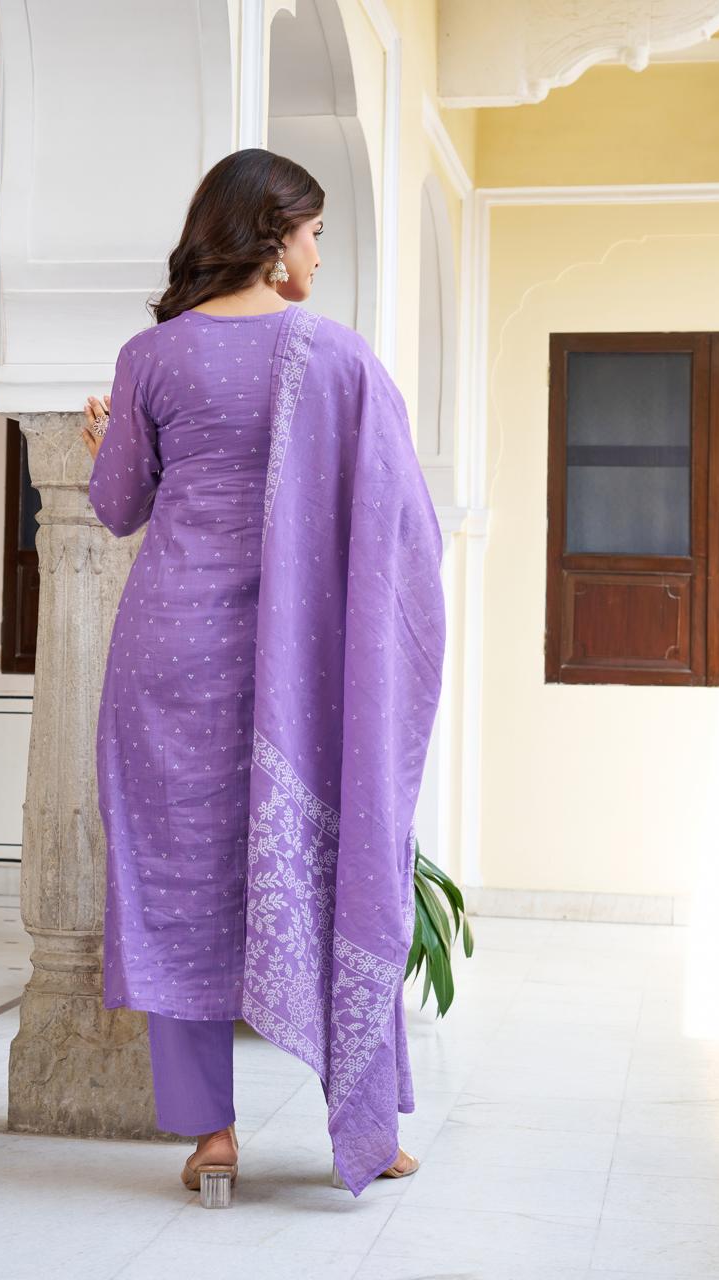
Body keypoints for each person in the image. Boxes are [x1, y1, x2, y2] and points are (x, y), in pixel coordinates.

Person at [80, 148, 446, 1206]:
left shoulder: (152, 356)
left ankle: (212, 1135)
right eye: (315, 234)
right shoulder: (337, 358)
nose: (320, 256)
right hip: (308, 660)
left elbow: (117, 507)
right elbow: (401, 522)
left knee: (180, 876)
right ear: (273, 235)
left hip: (169, 649)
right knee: (336, 857)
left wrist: (108, 439)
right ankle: (364, 1126)